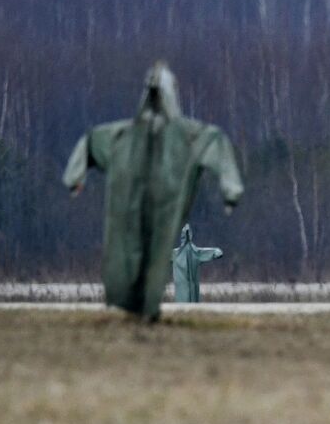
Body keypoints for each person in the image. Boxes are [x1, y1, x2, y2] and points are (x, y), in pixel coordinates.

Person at [63, 62, 243, 320]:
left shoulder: (130, 135)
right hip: (146, 205)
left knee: (143, 252)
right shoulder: (171, 135)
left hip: (155, 207)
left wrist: (75, 179)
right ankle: (139, 306)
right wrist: (230, 193)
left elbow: (91, 141)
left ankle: (141, 307)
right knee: (135, 253)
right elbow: (214, 142)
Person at [172, 224, 223, 303]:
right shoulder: (192, 253)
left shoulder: (194, 253)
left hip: (187, 287)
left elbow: (213, 252)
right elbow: (214, 252)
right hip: (182, 287)